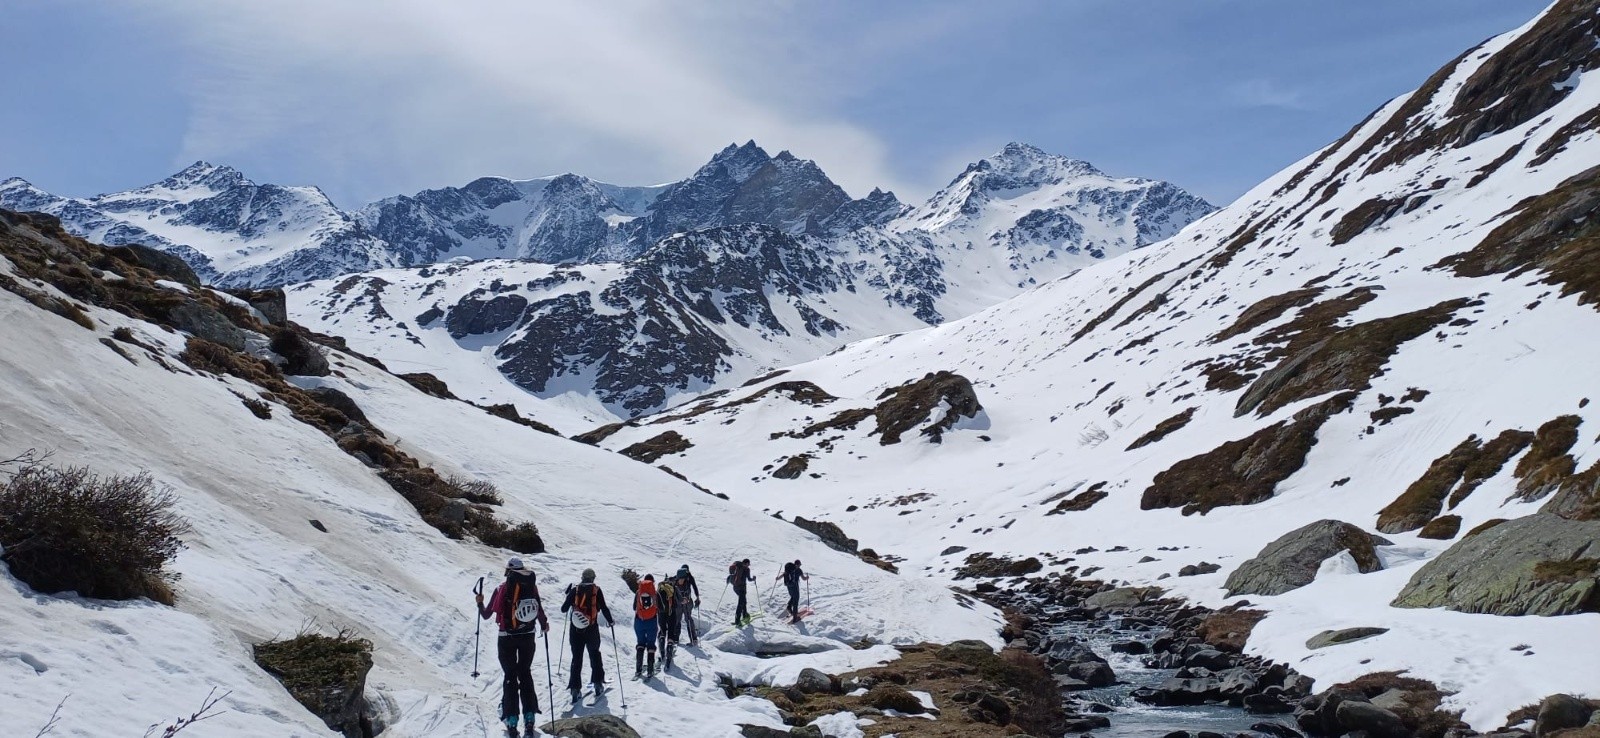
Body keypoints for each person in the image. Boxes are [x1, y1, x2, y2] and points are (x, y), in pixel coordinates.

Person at [476, 558, 550, 736]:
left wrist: (479, 602)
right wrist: (544, 623)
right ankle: (530, 718)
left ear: (508, 571)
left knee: (510, 676)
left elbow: (486, 615)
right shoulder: (531, 587)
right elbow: (538, 608)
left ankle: (512, 720)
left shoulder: (502, 588)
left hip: (506, 637)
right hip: (528, 635)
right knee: (525, 673)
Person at [559, 568, 614, 703]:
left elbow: (563, 609)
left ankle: (575, 688)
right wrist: (610, 621)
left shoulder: (575, 590)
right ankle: (597, 683)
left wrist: (570, 599)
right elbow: (604, 607)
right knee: (594, 654)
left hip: (575, 629)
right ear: (593, 578)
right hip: (591, 628)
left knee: (576, 658)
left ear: (582, 577)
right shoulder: (596, 590)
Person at [632, 574, 660, 678]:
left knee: (640, 644)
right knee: (651, 644)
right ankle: (650, 670)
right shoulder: (655, 593)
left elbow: (634, 607)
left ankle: (638, 669)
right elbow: (660, 607)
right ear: (652, 582)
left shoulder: (638, 592)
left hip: (639, 621)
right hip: (652, 622)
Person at [672, 564, 700, 645]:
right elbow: (695, 587)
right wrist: (697, 597)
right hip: (687, 602)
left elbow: (672, 581)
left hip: (680, 603)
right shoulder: (689, 577)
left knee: (678, 619)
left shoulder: (679, 577)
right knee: (688, 619)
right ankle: (693, 639)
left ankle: (676, 639)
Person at [657, 575, 679, 669]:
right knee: (671, 634)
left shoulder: (660, 588)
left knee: (662, 632)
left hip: (661, 613)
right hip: (672, 613)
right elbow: (680, 600)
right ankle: (669, 658)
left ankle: (662, 654)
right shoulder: (673, 588)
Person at [727, 558, 755, 626]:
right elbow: (749, 579)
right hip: (742, 588)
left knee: (743, 601)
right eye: (748, 564)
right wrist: (753, 579)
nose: (748, 566)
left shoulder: (737, 566)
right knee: (740, 604)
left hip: (735, 587)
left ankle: (745, 614)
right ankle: (737, 620)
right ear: (746, 563)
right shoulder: (746, 569)